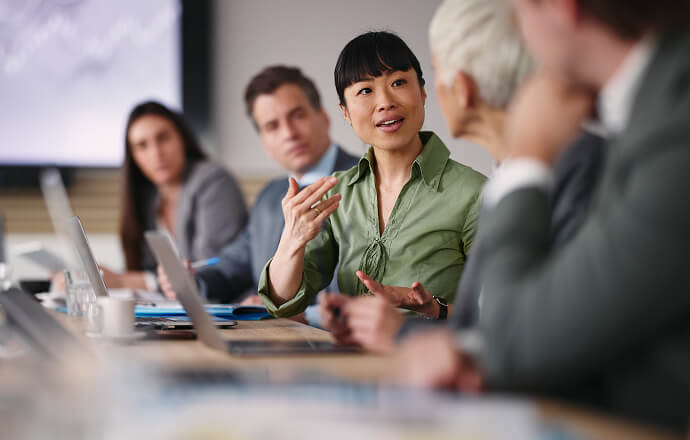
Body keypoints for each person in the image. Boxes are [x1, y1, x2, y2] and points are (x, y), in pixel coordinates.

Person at [393, 0, 690, 433]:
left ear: (558, 6)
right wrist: (476, 352)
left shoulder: (671, 128)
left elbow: (520, 335)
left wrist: (527, 159)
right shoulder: (648, 108)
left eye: (518, 12)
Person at [331, 0, 604, 354]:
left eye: (431, 72)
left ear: (460, 87)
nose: (388, 101)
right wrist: (429, 311)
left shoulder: (564, 169)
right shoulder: (508, 175)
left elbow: (537, 335)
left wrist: (401, 333)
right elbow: (486, 322)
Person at [258, 32, 486, 333]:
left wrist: (435, 309)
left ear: (422, 91)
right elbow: (285, 302)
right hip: (352, 366)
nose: (385, 102)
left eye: (398, 83)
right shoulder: (337, 191)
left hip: (435, 366)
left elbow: (505, 311)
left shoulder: (474, 192)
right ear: (345, 113)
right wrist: (292, 240)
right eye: (365, 91)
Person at [159, 66, 359, 316]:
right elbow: (234, 265)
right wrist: (192, 281)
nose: (289, 134)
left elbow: (358, 287)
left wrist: (284, 310)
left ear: (324, 117)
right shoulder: (270, 196)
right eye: (272, 126)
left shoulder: (366, 180)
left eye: (298, 116)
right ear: (263, 141)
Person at [104, 100, 247, 290]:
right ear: (133, 157)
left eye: (163, 138)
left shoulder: (214, 181)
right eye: (142, 145)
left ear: (182, 138)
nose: (156, 153)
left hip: (226, 306)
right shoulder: (150, 198)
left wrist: (125, 281)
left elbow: (210, 268)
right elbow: (148, 268)